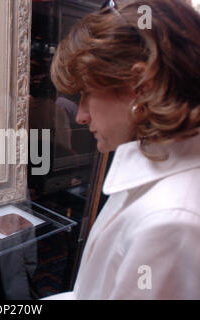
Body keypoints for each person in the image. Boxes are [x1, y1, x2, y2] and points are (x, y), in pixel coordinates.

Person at [47, 0, 200, 299]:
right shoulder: (150, 172)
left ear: (140, 86)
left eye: (88, 93)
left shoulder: (169, 221)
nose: (81, 115)